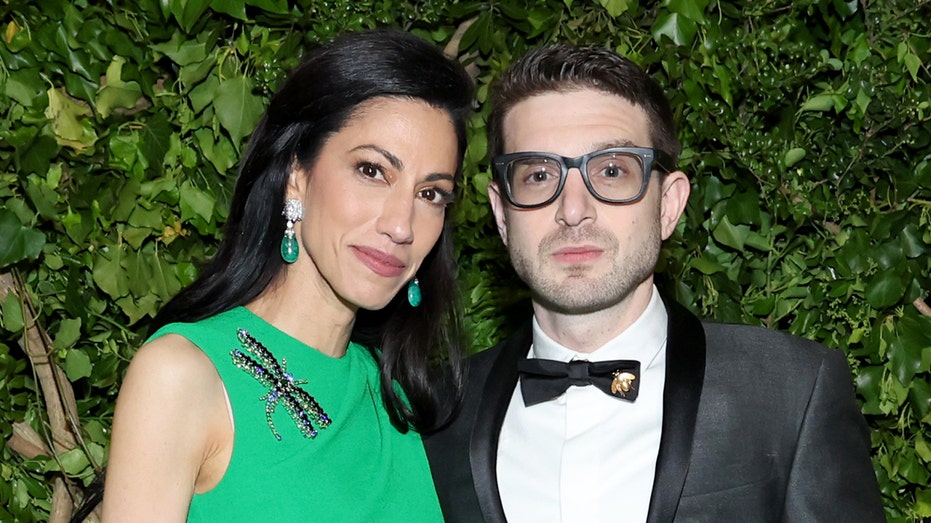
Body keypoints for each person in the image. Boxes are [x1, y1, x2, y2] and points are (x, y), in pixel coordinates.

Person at [424, 43, 885, 522]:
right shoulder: (438, 412)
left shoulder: (792, 392)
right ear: (502, 213)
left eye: (611, 171)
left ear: (668, 205)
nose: (573, 210)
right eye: (539, 175)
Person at [100, 28, 473, 522]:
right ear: (297, 175)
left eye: (430, 194)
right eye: (372, 171)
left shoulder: (403, 402)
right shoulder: (183, 377)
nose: (401, 226)